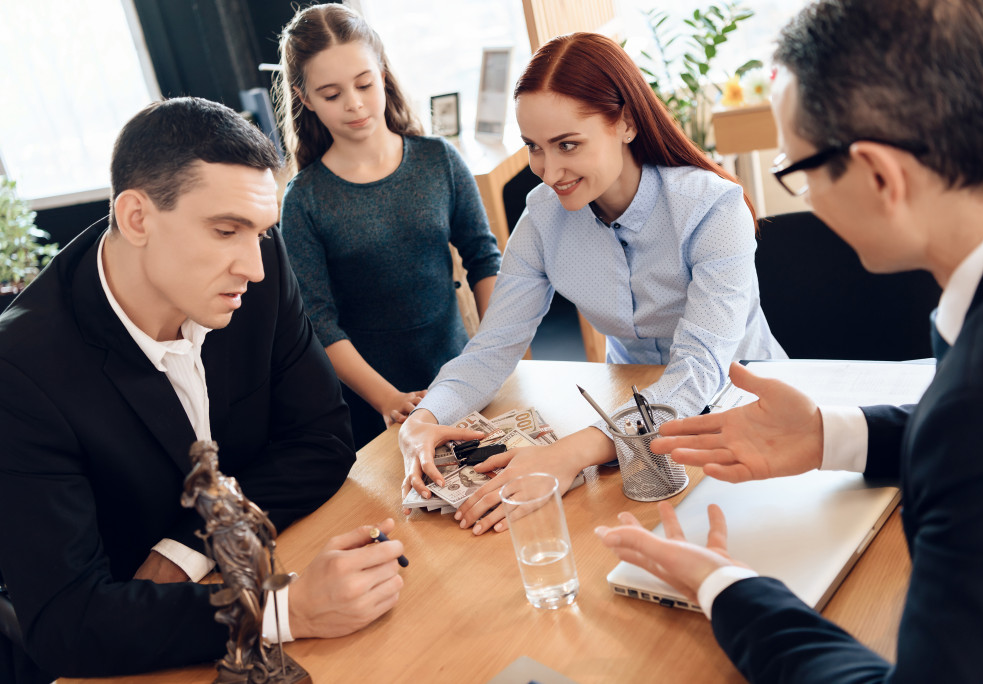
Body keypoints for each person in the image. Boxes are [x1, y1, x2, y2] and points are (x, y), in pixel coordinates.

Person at [597, 1, 983, 681]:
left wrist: (728, 588)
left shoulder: (982, 405)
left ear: (881, 175)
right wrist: (832, 435)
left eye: (796, 170)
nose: (800, 197)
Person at [0, 97, 404, 683]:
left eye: (261, 232)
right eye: (225, 230)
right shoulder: (22, 370)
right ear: (136, 218)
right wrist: (282, 610)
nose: (256, 265)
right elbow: (69, 622)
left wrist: (187, 548)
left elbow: (322, 440)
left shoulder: (253, 271)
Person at [400, 33, 786, 534]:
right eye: (534, 148)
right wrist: (423, 419)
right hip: (620, 418)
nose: (549, 171)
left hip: (740, 409)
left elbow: (698, 371)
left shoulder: (713, 208)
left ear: (625, 122)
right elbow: (493, 347)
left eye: (568, 145)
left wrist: (570, 454)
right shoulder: (543, 216)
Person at [277, 3, 502, 449]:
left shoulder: (439, 161)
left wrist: (494, 353)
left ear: (382, 72)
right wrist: (387, 398)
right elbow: (317, 321)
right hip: (369, 405)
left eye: (364, 83)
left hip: (462, 379)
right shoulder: (304, 199)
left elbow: (483, 258)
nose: (355, 104)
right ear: (305, 99)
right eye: (331, 94)